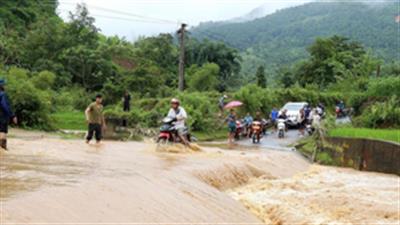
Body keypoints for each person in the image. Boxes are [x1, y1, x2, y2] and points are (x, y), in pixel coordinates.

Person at [0, 79, 17, 150]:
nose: (5, 86)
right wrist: (12, 115)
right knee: (3, 131)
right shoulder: (3, 94)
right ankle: (3, 149)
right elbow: (5, 106)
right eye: (4, 84)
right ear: (2, 86)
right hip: (2, 116)